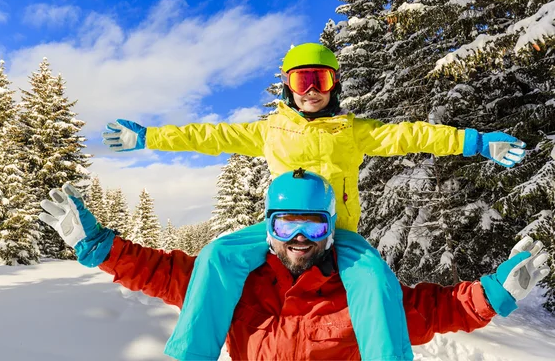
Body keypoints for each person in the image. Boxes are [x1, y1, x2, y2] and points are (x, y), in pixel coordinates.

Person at [100, 43, 527, 360]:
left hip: (336, 234)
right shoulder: (270, 131)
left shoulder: (353, 131)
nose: (310, 91)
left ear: (333, 84)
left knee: (376, 283)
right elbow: (209, 136)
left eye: (319, 80)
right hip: (278, 230)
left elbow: (412, 134)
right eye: (300, 80)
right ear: (287, 86)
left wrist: (474, 141)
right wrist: (150, 137)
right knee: (214, 257)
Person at [39, 171, 550, 361]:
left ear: (331, 228)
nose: (300, 240)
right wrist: (99, 246)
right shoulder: (234, 283)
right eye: (287, 226)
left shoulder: (360, 293)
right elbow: (157, 270)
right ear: (268, 227)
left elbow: (436, 308)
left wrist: (494, 292)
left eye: (312, 227)